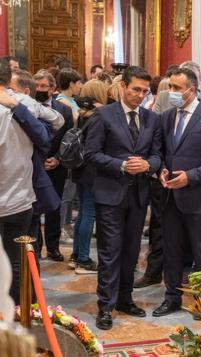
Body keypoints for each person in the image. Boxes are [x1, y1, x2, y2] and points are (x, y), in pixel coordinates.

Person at [84, 66, 162, 330]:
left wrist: (149, 166)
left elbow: (157, 155)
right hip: (110, 195)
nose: (140, 95)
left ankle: (125, 299)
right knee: (110, 252)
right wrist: (121, 165)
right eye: (135, 90)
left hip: (139, 196)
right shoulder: (103, 115)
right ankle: (105, 307)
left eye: (144, 91)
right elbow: (91, 154)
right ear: (123, 87)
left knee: (131, 252)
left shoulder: (152, 119)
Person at [155, 67, 201, 317]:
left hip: (197, 196)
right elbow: (161, 152)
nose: (172, 92)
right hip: (169, 196)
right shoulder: (166, 117)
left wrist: (191, 176)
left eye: (177, 88)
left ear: (192, 89)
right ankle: (172, 297)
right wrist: (162, 170)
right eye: (170, 87)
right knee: (172, 250)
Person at [0, 58, 50, 304]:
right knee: (17, 262)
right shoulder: (24, 103)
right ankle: (21, 318)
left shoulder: (16, 105)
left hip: (15, 196)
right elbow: (45, 135)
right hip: (21, 197)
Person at [31, 70, 74, 262]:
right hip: (33, 165)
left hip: (57, 165)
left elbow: (69, 138)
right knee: (33, 208)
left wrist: (58, 158)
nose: (39, 90)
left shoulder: (63, 110)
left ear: (52, 88)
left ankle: (53, 247)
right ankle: (36, 245)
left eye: (43, 86)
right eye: (36, 86)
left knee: (54, 207)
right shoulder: (29, 108)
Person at [71, 80, 109, 274]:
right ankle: (84, 260)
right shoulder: (100, 114)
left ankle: (76, 254)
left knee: (81, 215)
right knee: (88, 214)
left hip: (79, 168)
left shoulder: (81, 113)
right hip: (92, 170)